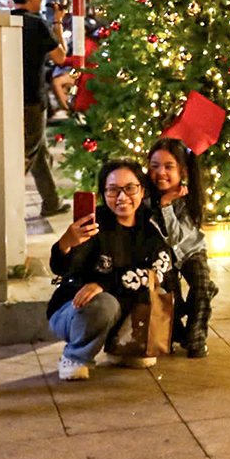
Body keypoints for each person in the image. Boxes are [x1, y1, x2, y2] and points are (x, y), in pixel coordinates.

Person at [48, 162, 178, 381]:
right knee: (104, 303)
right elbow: (63, 269)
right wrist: (66, 244)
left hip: (118, 305)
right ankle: (75, 357)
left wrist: (106, 283)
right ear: (103, 193)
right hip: (75, 310)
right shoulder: (93, 224)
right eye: (112, 189)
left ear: (142, 190)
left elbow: (162, 267)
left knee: (151, 287)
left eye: (130, 188)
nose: (122, 196)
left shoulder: (150, 224)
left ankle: (122, 347)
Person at [146, 138, 217, 358]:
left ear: (182, 171)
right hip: (162, 256)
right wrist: (162, 203)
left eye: (169, 167)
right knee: (170, 295)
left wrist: (167, 205)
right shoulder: (146, 198)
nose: (161, 173)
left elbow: (177, 237)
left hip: (190, 250)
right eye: (155, 166)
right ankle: (176, 331)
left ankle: (195, 338)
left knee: (202, 285)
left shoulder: (188, 197)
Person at [10, 0, 67, 217]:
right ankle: (4, 204)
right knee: (29, 153)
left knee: (39, 151)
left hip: (10, 96)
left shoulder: (6, 21)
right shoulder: (38, 24)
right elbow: (61, 57)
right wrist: (58, 22)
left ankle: (51, 202)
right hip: (32, 99)